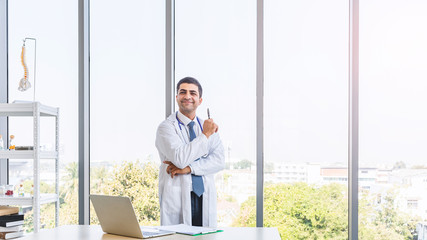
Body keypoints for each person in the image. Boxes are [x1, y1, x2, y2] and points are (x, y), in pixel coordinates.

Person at [155, 77, 225, 227]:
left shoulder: (208, 126)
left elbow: (219, 161)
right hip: (177, 194)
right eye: (183, 92)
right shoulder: (166, 128)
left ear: (200, 100)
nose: (187, 96)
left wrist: (188, 168)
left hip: (204, 196)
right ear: (177, 98)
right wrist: (205, 135)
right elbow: (180, 158)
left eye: (193, 93)